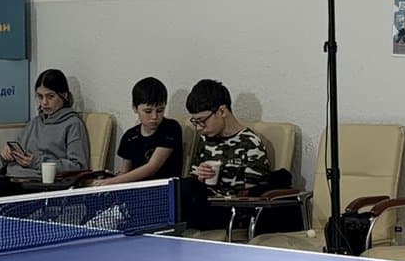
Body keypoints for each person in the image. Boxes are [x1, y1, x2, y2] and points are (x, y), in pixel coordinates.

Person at [179, 79, 280, 231]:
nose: (199, 128)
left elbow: (254, 193)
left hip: (231, 210)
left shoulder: (250, 143)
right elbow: (194, 180)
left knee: (186, 189)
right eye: (196, 122)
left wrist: (222, 174)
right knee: (181, 188)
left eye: (202, 121)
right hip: (203, 202)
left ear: (222, 111)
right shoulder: (206, 139)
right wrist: (201, 176)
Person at [0, 69, 90, 198]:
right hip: (13, 179)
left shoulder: (73, 124)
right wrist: (8, 154)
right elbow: (19, 152)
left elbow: (78, 166)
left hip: (38, 186)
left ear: (64, 95)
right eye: (40, 97)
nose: (44, 102)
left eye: (50, 96)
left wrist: (36, 162)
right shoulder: (34, 122)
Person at [91, 77, 184, 186]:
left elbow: (152, 167)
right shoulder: (130, 136)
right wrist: (109, 180)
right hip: (136, 189)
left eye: (160, 110)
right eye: (148, 111)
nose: (154, 117)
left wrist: (112, 182)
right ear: (135, 108)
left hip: (165, 189)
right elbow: (125, 171)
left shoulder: (171, 128)